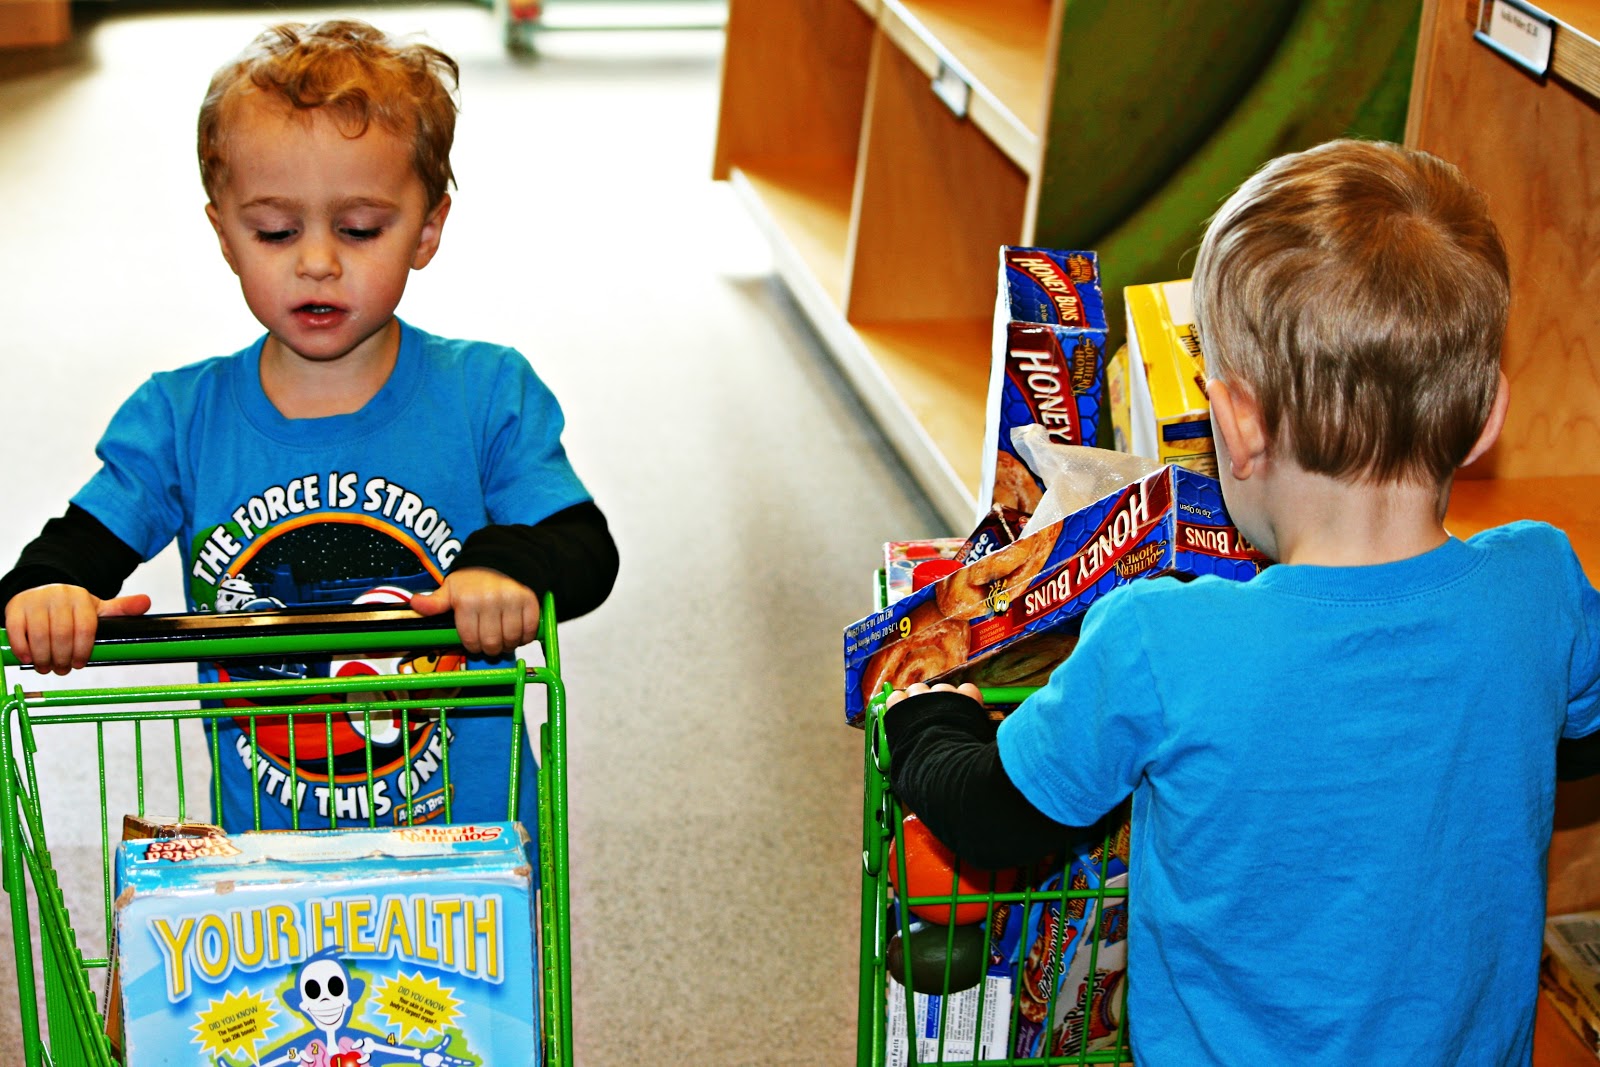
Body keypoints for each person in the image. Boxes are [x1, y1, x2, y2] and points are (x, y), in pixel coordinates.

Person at [883, 139, 1600, 1065]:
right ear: (1488, 415)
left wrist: (928, 719)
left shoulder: (1163, 641)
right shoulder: (1539, 587)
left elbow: (992, 813)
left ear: (1236, 423)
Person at [0, 19, 618, 833]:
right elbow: (77, 547)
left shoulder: (486, 394)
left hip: (465, 857)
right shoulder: (180, 420)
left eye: (360, 229)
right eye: (276, 231)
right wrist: (45, 590)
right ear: (224, 233)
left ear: (427, 229)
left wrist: (503, 569)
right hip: (272, 875)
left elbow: (584, 547)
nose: (317, 261)